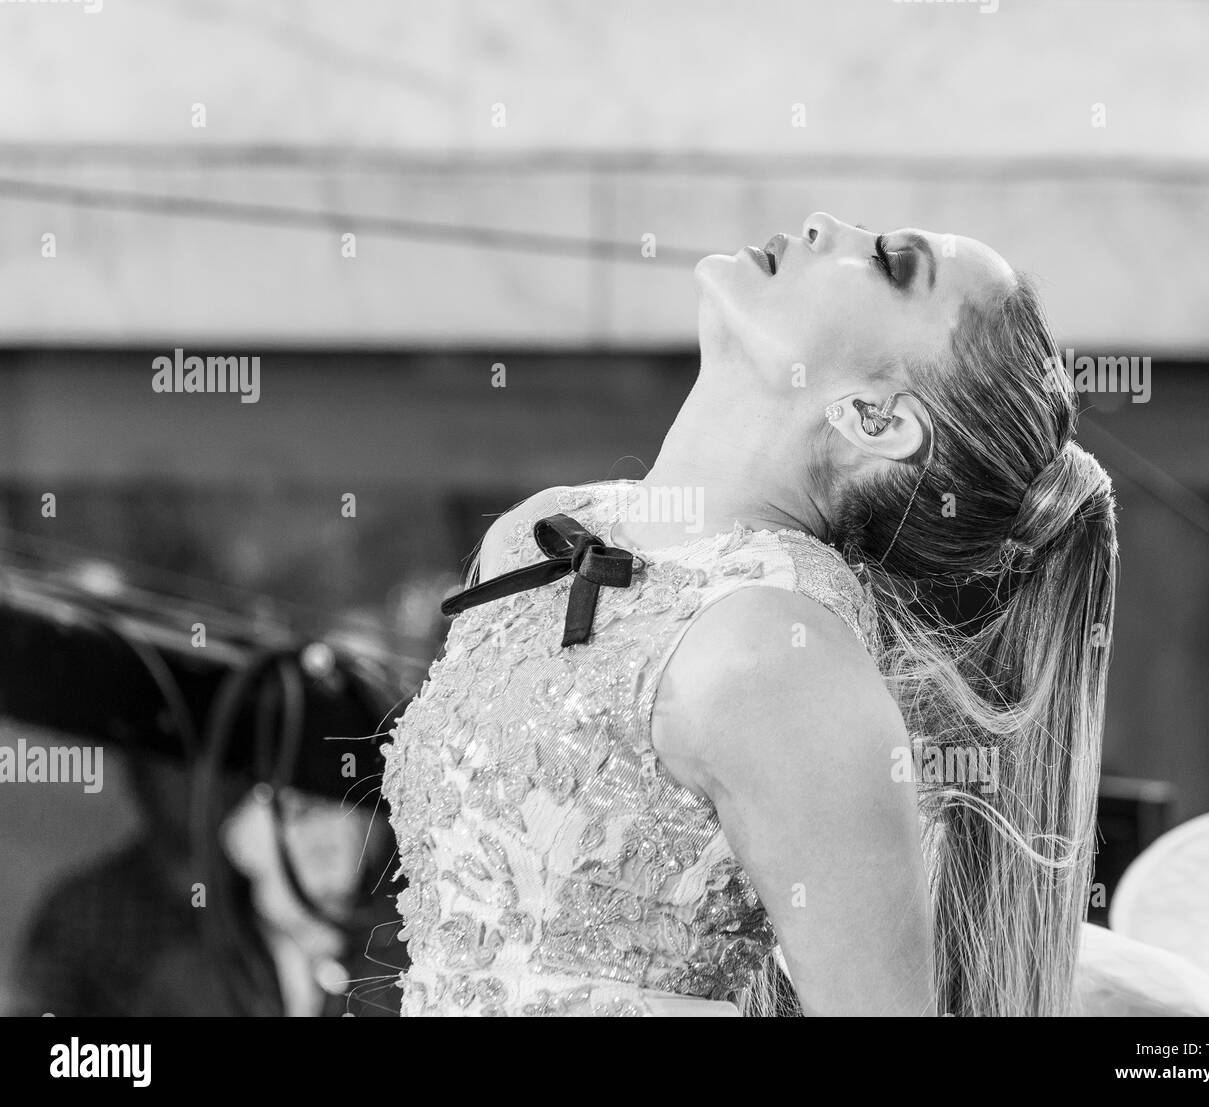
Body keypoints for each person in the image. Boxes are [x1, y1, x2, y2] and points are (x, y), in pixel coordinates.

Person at [381, 213, 1167, 1016]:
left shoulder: (781, 651)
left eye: (891, 262)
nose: (826, 224)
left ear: (877, 417)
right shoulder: (536, 532)